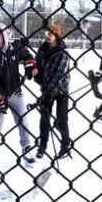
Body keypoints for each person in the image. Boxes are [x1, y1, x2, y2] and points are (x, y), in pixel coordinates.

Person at [0, 25, 36, 166]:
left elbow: (28, 56)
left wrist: (30, 66)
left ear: (4, 35)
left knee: (22, 119)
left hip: (15, 91)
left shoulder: (14, 48)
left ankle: (26, 147)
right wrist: (0, 95)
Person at [34, 24, 73, 159]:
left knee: (62, 119)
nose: (48, 36)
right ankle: (42, 146)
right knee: (44, 119)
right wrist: (35, 73)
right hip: (46, 89)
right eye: (46, 34)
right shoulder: (42, 50)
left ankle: (65, 145)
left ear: (57, 36)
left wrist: (49, 92)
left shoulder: (62, 52)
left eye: (51, 34)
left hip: (60, 90)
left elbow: (59, 74)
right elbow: (38, 67)